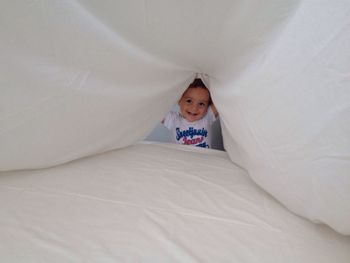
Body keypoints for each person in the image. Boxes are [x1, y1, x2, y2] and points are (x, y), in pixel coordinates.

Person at [162, 78, 218, 148]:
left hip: (203, 158)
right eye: (189, 101)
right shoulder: (173, 119)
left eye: (201, 104)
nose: (194, 108)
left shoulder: (207, 116)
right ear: (179, 100)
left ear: (207, 107)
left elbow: (223, 99)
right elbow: (153, 110)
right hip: (181, 158)